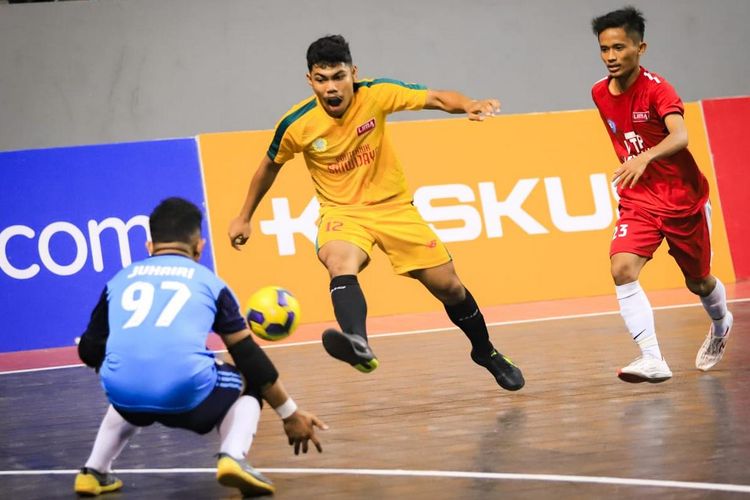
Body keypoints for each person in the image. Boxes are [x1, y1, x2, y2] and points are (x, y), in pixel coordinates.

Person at [228, 35, 524, 392]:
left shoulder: (377, 93)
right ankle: (358, 343)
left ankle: (486, 352)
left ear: (353, 73)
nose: (331, 88)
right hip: (343, 213)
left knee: (450, 287)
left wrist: (468, 104)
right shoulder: (297, 124)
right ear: (310, 81)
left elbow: (435, 97)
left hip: (395, 208)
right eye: (321, 79)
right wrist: (245, 215)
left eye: (338, 76)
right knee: (339, 261)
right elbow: (268, 167)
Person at [75, 197, 326, 497]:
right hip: (185, 393)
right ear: (199, 247)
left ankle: (93, 472)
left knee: (128, 376)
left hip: (124, 393)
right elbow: (248, 355)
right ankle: (233, 457)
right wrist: (290, 414)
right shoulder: (210, 282)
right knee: (249, 380)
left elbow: (88, 351)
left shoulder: (118, 280)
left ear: (149, 247)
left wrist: (119, 362)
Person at [590, 7, 733, 382]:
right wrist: (636, 165)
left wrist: (645, 157)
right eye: (604, 49)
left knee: (699, 281)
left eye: (619, 48)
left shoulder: (658, 89)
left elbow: (681, 135)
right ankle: (651, 357)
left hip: (682, 199)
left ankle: (721, 324)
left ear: (641, 48)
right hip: (639, 199)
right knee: (621, 268)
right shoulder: (599, 93)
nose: (610, 57)